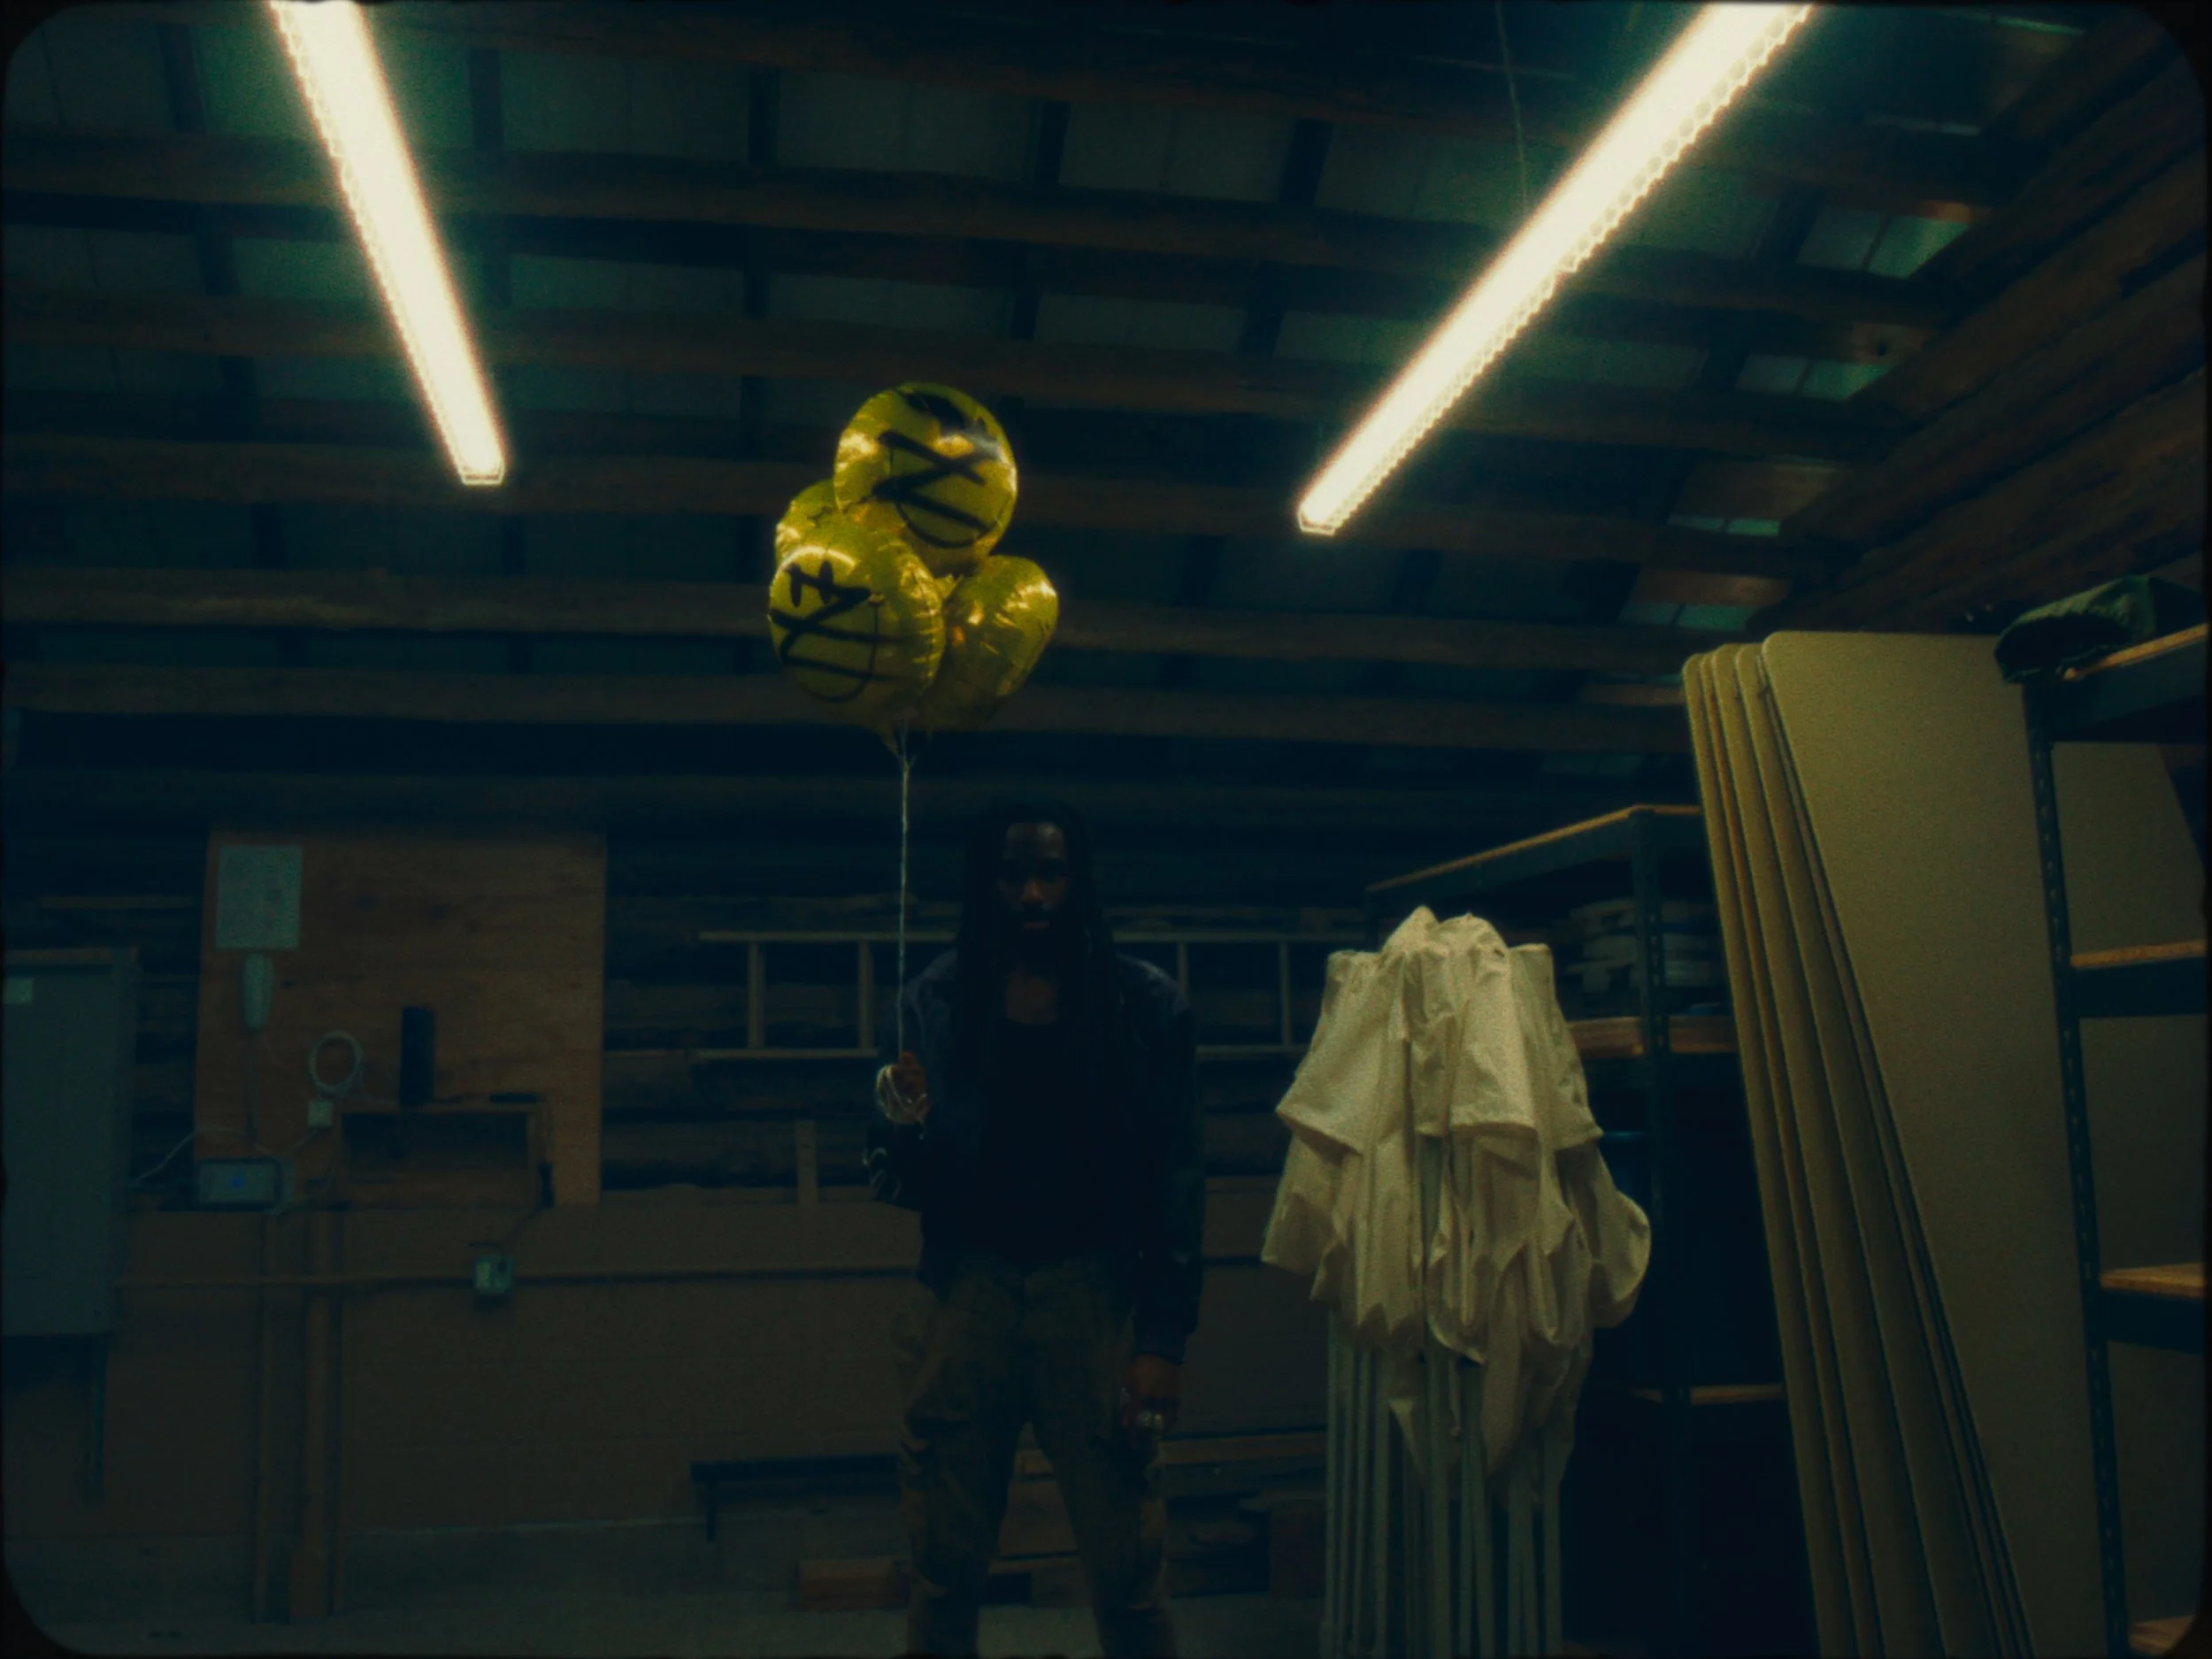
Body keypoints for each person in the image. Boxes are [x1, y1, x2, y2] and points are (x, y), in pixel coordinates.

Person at [865, 797, 1202, 1659]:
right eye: (1012, 873)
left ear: (1076, 880)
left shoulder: (1141, 1007)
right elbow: (901, 1182)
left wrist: (1162, 1336)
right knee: (942, 1576)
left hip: (1091, 1297)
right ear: (987, 883)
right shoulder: (932, 1004)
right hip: (964, 1295)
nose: (1030, 891)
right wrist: (900, 1127)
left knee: (1129, 1573)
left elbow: (1175, 1176)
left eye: (1050, 871)